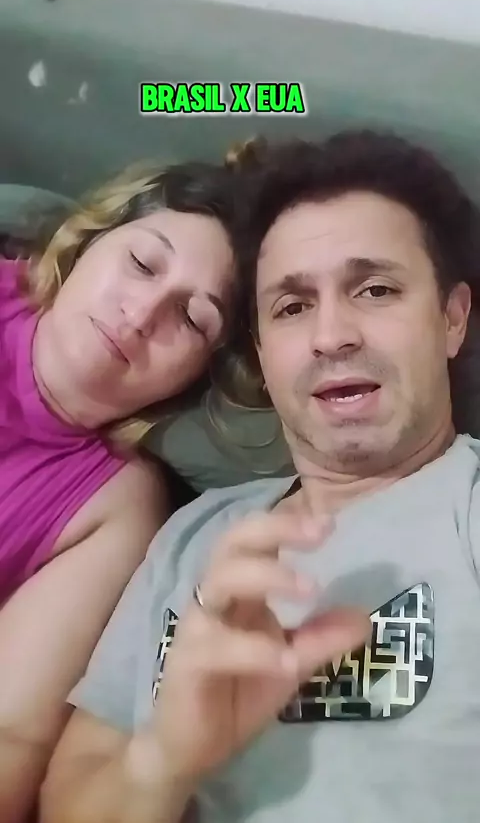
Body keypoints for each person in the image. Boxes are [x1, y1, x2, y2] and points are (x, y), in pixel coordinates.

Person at [40, 130, 480, 823]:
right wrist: (164, 760)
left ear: (452, 320)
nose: (331, 336)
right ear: (263, 355)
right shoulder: (191, 535)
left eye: (375, 289)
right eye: (292, 307)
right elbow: (69, 800)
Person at [0, 157, 238, 821]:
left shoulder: (114, 508)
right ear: (86, 240)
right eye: (142, 264)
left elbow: (11, 734)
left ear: (197, 377)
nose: (143, 314)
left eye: (193, 319)